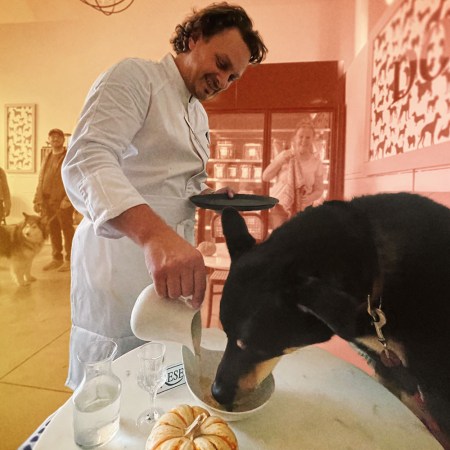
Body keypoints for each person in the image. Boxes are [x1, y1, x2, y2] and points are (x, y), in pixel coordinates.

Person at [62, 2, 267, 389]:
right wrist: (155, 236)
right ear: (193, 38)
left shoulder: (198, 114)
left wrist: (210, 195)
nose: (222, 81)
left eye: (232, 77)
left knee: (156, 380)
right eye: (221, 63)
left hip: (172, 271)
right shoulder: (136, 77)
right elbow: (87, 161)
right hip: (120, 266)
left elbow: (175, 185)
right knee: (110, 388)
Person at [263, 124, 324, 229]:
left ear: (313, 139)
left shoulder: (316, 163)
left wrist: (309, 198)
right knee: (281, 240)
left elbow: (319, 189)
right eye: (301, 136)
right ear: (295, 137)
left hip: (303, 209)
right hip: (280, 207)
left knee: (299, 241)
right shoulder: (284, 156)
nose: (304, 140)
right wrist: (280, 161)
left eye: (308, 137)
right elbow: (266, 177)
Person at [34, 129, 74, 272]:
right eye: (52, 137)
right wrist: (37, 199)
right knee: (53, 230)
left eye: (58, 137)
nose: (55, 139)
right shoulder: (47, 157)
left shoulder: (69, 156)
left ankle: (69, 260)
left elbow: (74, 178)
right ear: (48, 140)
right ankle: (56, 259)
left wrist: (68, 199)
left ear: (63, 140)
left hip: (63, 203)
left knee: (67, 231)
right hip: (47, 202)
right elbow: (41, 179)